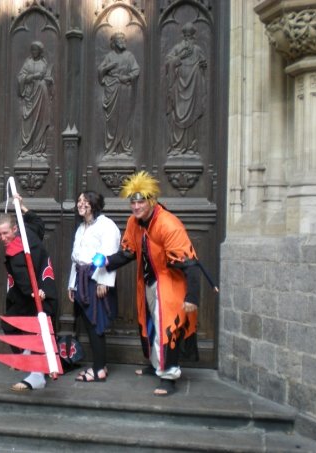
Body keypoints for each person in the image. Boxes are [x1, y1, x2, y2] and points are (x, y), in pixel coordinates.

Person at [106, 171, 200, 396]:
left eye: (140, 202)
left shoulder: (168, 224)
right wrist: (103, 263)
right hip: (148, 282)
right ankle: (157, 364)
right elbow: (128, 253)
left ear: (151, 201)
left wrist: (192, 297)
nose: (136, 206)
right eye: (133, 202)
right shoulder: (134, 222)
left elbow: (190, 265)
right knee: (151, 324)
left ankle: (168, 376)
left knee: (167, 326)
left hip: (169, 283)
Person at [0, 195, 57, 391]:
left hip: (33, 295)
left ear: (14, 229)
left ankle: (35, 374)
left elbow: (23, 279)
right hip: (40, 292)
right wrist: (22, 208)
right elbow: (38, 222)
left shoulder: (16, 250)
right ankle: (28, 360)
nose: (3, 238)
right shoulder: (28, 232)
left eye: (5, 233)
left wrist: (35, 292)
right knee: (29, 330)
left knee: (22, 328)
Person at [68, 191, 120, 383]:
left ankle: (99, 370)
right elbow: (76, 259)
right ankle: (100, 365)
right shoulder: (82, 227)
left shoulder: (106, 225)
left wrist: (103, 281)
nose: (80, 204)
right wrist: (72, 284)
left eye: (84, 201)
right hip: (81, 280)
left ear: (94, 203)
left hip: (96, 280)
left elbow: (109, 254)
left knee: (96, 324)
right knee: (89, 325)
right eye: (79, 200)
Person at [165, 22, 207, 157]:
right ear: (184, 37)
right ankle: (177, 147)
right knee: (178, 114)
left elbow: (203, 63)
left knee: (193, 116)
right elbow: (168, 63)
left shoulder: (198, 50)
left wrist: (202, 64)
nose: (188, 40)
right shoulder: (177, 49)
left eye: (191, 37)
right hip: (179, 87)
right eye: (186, 37)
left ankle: (190, 147)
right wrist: (180, 57)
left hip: (194, 87)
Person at [97, 32, 140, 157]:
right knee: (112, 119)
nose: (123, 41)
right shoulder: (109, 56)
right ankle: (111, 148)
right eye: (120, 39)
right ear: (114, 42)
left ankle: (125, 147)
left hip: (125, 89)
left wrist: (128, 77)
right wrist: (107, 67)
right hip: (112, 88)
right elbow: (100, 70)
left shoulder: (129, 56)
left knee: (125, 118)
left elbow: (136, 70)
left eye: (124, 39)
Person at [17, 41, 53, 159]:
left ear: (40, 51)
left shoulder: (44, 63)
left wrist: (48, 80)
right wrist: (33, 76)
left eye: (36, 50)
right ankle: (26, 148)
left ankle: (38, 148)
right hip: (30, 96)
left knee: (40, 121)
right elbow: (21, 77)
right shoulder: (28, 63)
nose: (34, 52)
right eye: (32, 50)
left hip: (41, 95)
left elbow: (47, 76)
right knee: (28, 122)